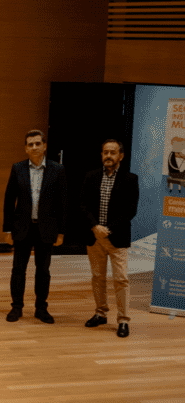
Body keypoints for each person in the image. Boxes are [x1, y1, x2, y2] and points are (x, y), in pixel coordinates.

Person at [3, 129, 66, 324]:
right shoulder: (18, 168)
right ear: (25, 148)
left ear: (45, 146)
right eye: (30, 144)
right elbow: (8, 201)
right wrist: (7, 229)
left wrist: (61, 231)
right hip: (22, 227)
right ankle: (16, 307)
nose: (34, 147)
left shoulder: (57, 170)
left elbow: (62, 203)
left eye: (38, 143)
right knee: (18, 269)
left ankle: (41, 308)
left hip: (46, 229)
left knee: (43, 270)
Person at [80, 139, 139, 338]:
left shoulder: (130, 179)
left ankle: (123, 320)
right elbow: (83, 205)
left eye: (112, 152)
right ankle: (100, 313)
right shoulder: (91, 176)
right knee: (98, 277)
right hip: (95, 236)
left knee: (121, 279)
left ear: (121, 156)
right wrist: (95, 227)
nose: (108, 156)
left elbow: (130, 210)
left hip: (117, 237)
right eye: (105, 152)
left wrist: (108, 229)